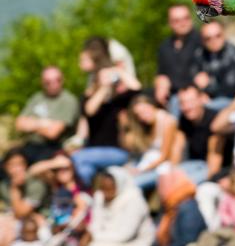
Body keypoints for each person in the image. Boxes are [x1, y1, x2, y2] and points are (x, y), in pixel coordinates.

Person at [71, 39, 140, 187]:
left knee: (77, 158)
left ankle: (87, 196)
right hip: (93, 151)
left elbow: (137, 89)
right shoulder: (87, 98)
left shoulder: (117, 102)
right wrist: (103, 88)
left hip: (116, 152)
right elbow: (89, 110)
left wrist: (119, 71)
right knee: (84, 169)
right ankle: (90, 201)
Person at [83, 167, 155, 246]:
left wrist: (94, 236)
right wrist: (90, 233)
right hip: (105, 241)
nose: (105, 194)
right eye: (103, 188)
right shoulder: (100, 196)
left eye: (109, 189)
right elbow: (96, 223)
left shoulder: (134, 200)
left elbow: (124, 235)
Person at [15, 66, 80, 164]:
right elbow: (19, 124)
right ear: (42, 82)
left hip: (54, 148)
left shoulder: (68, 100)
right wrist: (44, 123)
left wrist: (32, 123)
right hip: (31, 145)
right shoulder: (37, 97)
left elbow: (53, 133)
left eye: (57, 80)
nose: (53, 85)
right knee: (10, 162)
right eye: (48, 82)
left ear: (63, 80)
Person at [119, 94, 177, 189]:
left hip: (162, 168)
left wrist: (141, 170)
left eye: (144, 111)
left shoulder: (167, 121)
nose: (142, 116)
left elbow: (164, 156)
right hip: (147, 163)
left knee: (132, 184)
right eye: (139, 114)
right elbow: (128, 147)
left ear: (151, 105)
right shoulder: (145, 125)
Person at [192, 21, 235, 111]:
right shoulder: (199, 54)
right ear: (202, 40)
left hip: (234, 102)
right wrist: (199, 91)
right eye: (208, 38)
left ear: (224, 35)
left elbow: (229, 90)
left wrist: (206, 87)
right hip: (208, 98)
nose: (213, 41)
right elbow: (192, 76)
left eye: (218, 36)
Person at [173, 85, 226, 185]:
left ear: (201, 99)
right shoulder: (183, 119)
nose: (187, 107)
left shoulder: (215, 121)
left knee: (182, 184)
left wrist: (209, 183)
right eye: (182, 103)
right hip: (196, 164)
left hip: (217, 169)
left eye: (191, 102)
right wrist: (171, 173)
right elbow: (177, 148)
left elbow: (214, 159)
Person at [154, 4, 201, 111]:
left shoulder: (203, 41)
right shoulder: (164, 46)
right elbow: (162, 72)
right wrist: (160, 81)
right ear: (170, 23)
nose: (182, 23)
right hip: (170, 95)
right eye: (177, 20)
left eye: (185, 18)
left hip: (194, 95)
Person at [154, 167, 207, 246]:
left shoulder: (188, 207)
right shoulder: (169, 205)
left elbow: (186, 242)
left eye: (163, 183)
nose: (160, 188)